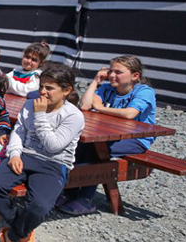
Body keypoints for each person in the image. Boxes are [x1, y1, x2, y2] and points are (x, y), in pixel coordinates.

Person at [0, 63, 84, 242]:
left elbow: (54, 146)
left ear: (66, 90)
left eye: (50, 88)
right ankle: (24, 228)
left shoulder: (73, 115)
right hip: (25, 156)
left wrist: (40, 115)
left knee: (39, 206)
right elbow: (19, 132)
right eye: (42, 86)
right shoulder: (30, 105)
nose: (43, 92)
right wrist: (14, 154)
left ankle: (12, 238)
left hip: (54, 163)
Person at [57, 55, 157, 216]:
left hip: (136, 139)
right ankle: (70, 192)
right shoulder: (107, 88)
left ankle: (85, 198)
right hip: (108, 135)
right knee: (81, 145)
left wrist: (102, 109)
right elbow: (85, 106)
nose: (112, 75)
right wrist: (96, 81)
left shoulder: (144, 91)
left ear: (135, 76)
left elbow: (130, 113)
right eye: (110, 71)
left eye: (118, 72)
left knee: (96, 150)